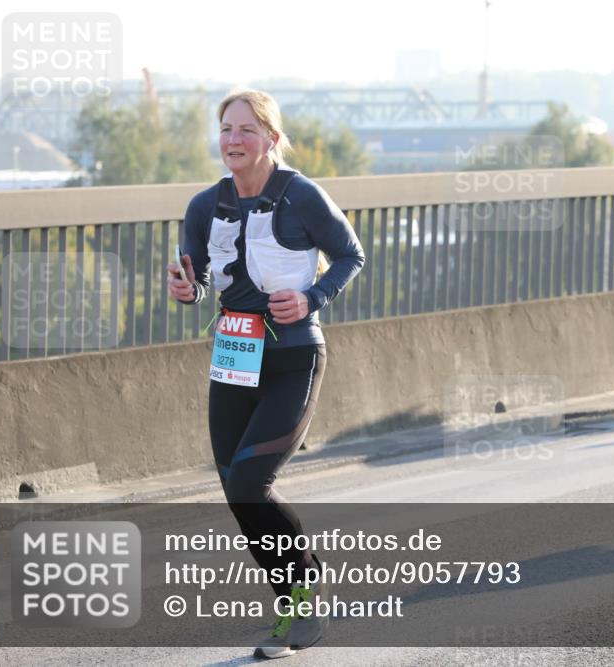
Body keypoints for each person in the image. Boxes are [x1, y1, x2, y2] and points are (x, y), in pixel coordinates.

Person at [167, 89, 364, 658]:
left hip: (293, 357)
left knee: (252, 482)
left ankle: (306, 603)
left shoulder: (301, 196)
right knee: (236, 490)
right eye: (226, 129)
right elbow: (195, 279)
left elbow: (351, 256)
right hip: (234, 357)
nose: (233, 140)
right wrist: (186, 289)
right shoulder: (205, 205)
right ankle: (292, 603)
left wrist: (312, 297)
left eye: (247, 130)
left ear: (272, 139)